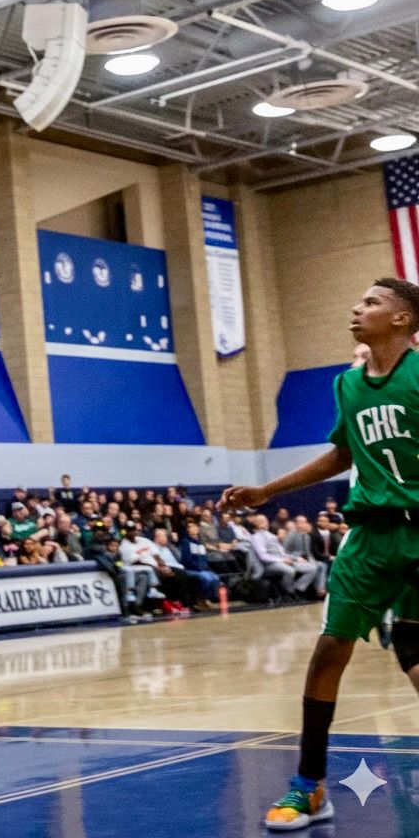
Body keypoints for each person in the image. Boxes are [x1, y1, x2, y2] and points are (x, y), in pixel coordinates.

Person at [221, 278, 419, 830]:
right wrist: (267, 491)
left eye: (372, 303)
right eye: (358, 301)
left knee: (413, 651)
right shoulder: (348, 385)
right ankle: (308, 786)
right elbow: (341, 454)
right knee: (330, 649)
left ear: (402, 320)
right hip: (372, 537)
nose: (357, 309)